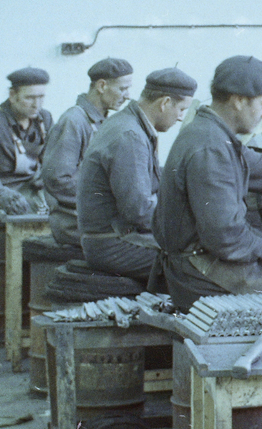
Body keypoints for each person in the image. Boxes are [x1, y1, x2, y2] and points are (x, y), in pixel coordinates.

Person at [154, 55, 262, 308]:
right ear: (238, 101)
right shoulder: (210, 147)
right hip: (201, 274)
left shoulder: (210, 133)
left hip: (201, 264)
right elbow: (226, 236)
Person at [74, 67, 196, 283]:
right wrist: (190, 226)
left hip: (112, 238)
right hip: (113, 244)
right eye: (181, 109)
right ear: (165, 103)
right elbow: (138, 210)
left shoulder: (128, 124)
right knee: (199, 265)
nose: (180, 118)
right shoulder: (130, 136)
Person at [43, 57, 133, 246]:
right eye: (122, 89)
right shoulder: (74, 121)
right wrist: (106, 200)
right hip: (74, 224)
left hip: (95, 220)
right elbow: (57, 179)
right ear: (101, 86)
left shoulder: (102, 122)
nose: (127, 96)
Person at [0, 66, 53, 216]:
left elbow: (53, 159)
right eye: (29, 98)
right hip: (8, 200)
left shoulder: (44, 119)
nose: (36, 105)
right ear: (12, 95)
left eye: (41, 97)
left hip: (38, 193)